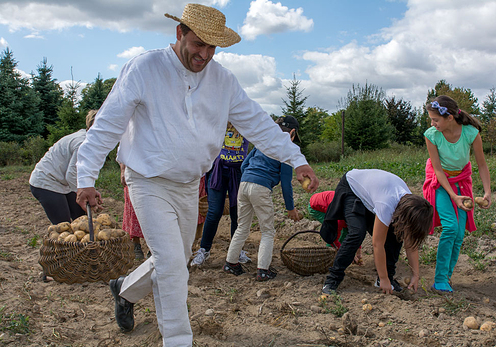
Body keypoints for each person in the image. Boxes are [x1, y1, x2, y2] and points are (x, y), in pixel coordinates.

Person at [74, 4, 318, 347]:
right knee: (173, 264)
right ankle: (178, 340)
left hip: (190, 185)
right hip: (147, 180)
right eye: (198, 44)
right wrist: (86, 176)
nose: (204, 54)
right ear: (180, 34)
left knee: (176, 260)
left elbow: (259, 124)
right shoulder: (145, 68)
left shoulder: (223, 81)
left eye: (211, 47)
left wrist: (297, 159)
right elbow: (108, 124)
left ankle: (125, 289)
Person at [320, 169, 433, 295]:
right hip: (352, 187)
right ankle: (332, 279)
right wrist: (383, 278)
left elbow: (410, 244)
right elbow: (377, 244)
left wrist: (415, 275)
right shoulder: (387, 205)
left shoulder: (413, 207)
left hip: (374, 192)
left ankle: (387, 278)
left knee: (396, 236)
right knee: (357, 233)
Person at [422, 95, 491, 294]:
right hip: (440, 183)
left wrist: (487, 192)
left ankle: (447, 275)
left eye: (435, 119)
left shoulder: (471, 133)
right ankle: (440, 280)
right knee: (451, 227)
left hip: (462, 182)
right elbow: (438, 169)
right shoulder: (432, 135)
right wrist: (453, 196)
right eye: (431, 119)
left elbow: (482, 165)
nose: (432, 123)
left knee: (459, 233)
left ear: (450, 117)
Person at [223, 116, 302, 281]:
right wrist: (291, 209)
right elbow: (286, 184)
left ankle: (231, 263)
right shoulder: (287, 148)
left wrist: (251, 177)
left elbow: (244, 165)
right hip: (261, 187)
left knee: (242, 227)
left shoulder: (263, 141)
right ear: (292, 132)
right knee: (267, 231)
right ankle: (263, 270)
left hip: (244, 184)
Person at [191, 123, 251, 266]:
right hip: (218, 168)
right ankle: (204, 250)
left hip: (238, 170)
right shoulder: (219, 116)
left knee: (236, 212)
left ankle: (237, 251)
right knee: (214, 211)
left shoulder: (244, 118)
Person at [29, 110, 97, 225]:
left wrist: (91, 189)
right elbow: (71, 175)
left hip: (64, 183)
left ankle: (83, 243)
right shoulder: (82, 143)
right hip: (47, 181)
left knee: (80, 219)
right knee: (63, 225)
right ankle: (62, 242)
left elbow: (83, 171)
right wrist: (85, 192)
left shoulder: (90, 140)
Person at [308, 191, 363, 265]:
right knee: (332, 232)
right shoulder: (339, 217)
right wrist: (346, 254)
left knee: (346, 231)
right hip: (316, 207)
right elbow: (333, 238)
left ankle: (340, 253)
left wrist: (358, 250)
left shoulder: (358, 213)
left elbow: (356, 232)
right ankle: (328, 256)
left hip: (331, 203)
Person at [120, 163, 145, 259]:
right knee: (133, 207)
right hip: (134, 171)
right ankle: (135, 243)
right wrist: (123, 170)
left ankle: (153, 247)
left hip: (155, 173)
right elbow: (123, 149)